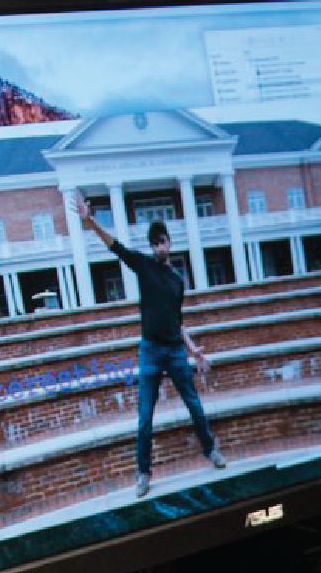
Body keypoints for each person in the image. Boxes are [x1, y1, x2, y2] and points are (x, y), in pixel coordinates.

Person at [80, 201, 226, 491]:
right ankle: (144, 473)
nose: (159, 247)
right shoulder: (144, 266)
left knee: (195, 406)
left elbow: (178, 320)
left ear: (170, 243)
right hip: (150, 351)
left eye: (163, 242)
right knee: (145, 417)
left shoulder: (177, 281)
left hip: (175, 351)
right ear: (151, 246)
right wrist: (91, 222)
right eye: (155, 243)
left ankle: (210, 449)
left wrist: (193, 349)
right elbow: (116, 247)